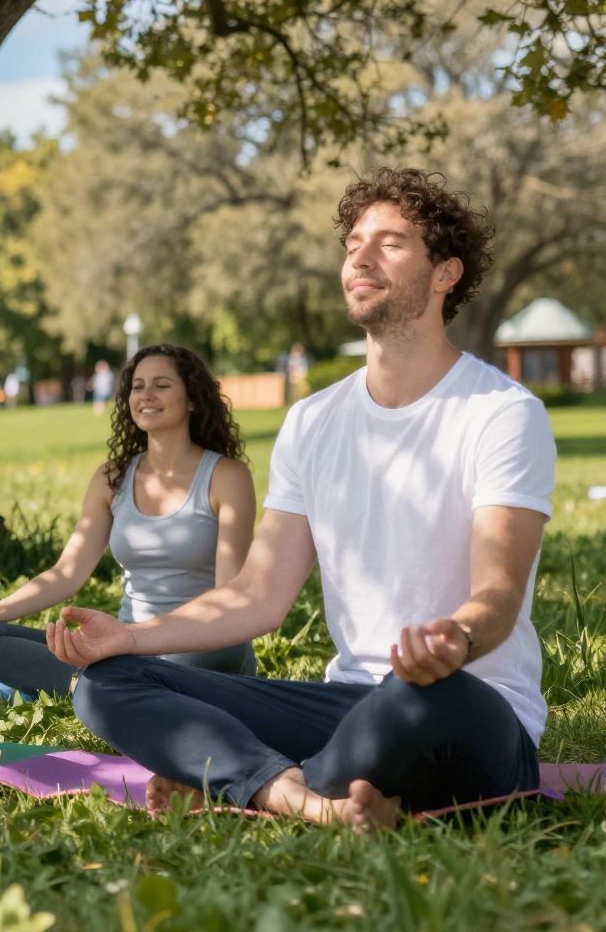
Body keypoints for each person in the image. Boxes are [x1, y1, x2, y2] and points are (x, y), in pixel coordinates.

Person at [53, 168, 555, 830]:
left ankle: (232, 775)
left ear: (446, 274)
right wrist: (132, 637)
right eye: (352, 244)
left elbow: (498, 595)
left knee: (415, 700)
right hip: (345, 705)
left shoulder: (501, 413)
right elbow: (258, 595)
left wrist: (455, 638)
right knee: (108, 681)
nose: (361, 258)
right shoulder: (313, 421)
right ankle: (302, 797)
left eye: (390, 243)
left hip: (462, 705)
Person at [0, 344, 256, 698]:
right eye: (137, 386)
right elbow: (67, 573)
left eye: (162, 385)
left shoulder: (226, 477)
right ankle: (130, 688)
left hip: (197, 645)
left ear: (193, 399)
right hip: (124, 649)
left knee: (221, 643)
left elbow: (228, 598)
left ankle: (112, 687)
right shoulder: (112, 478)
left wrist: (143, 639)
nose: (146, 395)